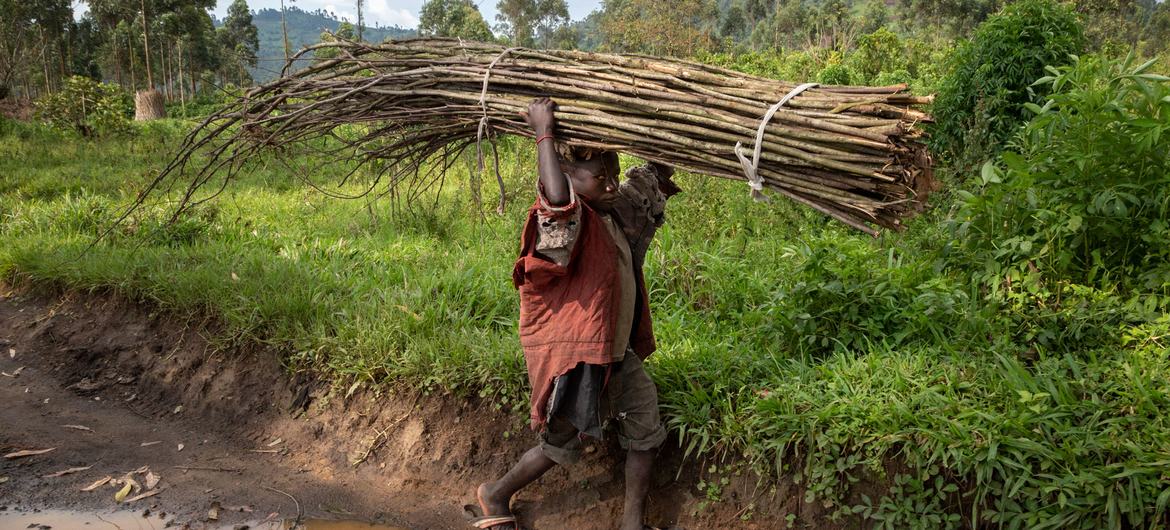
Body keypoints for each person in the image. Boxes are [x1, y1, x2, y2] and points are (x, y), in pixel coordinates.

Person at [470, 97, 681, 530]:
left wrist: (668, 136)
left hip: (618, 354)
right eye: (600, 177)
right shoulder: (568, 220)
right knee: (560, 443)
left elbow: (648, 184)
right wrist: (543, 132)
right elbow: (556, 200)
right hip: (581, 359)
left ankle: (631, 523)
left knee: (646, 429)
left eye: (613, 175)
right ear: (568, 177)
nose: (610, 184)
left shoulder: (613, 214)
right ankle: (495, 493)